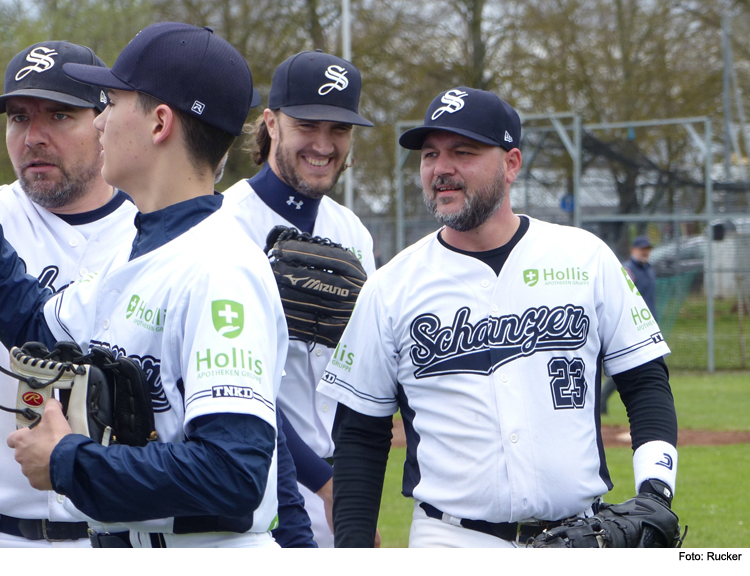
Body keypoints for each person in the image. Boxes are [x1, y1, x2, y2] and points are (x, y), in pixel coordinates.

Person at [317, 87, 679, 548]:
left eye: (462, 152)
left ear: (511, 164)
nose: (440, 168)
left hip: (585, 537)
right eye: (430, 154)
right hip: (451, 541)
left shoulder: (585, 257)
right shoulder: (391, 286)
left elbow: (645, 380)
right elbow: (360, 438)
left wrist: (655, 492)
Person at [1, 22, 302, 548]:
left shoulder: (221, 268)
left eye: (113, 103)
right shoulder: (142, 246)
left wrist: (69, 461)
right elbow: (39, 326)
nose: (101, 125)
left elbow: (232, 472)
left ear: (159, 122)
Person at [222, 50, 377, 548]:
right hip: (268, 478)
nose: (324, 144)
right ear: (270, 123)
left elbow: (364, 373)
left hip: (344, 480)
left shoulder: (350, 229)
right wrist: (325, 482)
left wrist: (351, 485)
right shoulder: (225, 224)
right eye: (308, 124)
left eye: (340, 130)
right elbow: (239, 387)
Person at [0, 40, 137, 548]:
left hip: (122, 537)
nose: (33, 137)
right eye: (18, 118)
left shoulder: (152, 230)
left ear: (105, 122)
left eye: (59, 115)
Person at [601, 235, 657, 415]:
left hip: (648, 324)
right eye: (642, 249)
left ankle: (648, 407)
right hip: (632, 326)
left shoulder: (649, 269)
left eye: (647, 249)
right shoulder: (628, 270)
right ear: (633, 250)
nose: (645, 252)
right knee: (631, 365)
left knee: (648, 366)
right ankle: (602, 396)